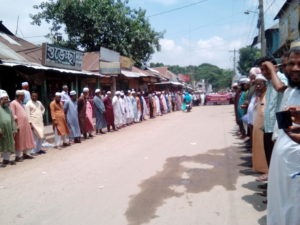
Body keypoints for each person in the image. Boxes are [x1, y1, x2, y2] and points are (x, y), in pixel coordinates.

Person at [267, 44, 300, 225]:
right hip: (283, 160)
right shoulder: (291, 91)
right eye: (291, 64)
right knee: (281, 204)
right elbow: (284, 126)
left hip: (296, 164)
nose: (295, 68)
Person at [257, 56, 288, 171]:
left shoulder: (281, 78)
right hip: (269, 127)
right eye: (262, 69)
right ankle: (271, 184)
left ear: (275, 67)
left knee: (278, 161)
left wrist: (272, 71)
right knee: (270, 159)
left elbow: (281, 87)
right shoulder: (269, 82)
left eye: (266, 69)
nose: (264, 72)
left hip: (279, 127)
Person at [10, 90, 35, 160]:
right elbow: (13, 114)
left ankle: (26, 153)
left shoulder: (21, 103)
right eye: (22, 96)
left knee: (25, 139)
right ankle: (18, 156)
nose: (24, 97)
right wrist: (15, 124)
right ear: (19, 96)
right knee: (19, 140)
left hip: (25, 124)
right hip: (19, 124)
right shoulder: (13, 103)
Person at [251, 74, 268, 175]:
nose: (257, 86)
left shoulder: (268, 96)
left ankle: (266, 172)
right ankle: (262, 171)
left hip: (265, 129)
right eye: (256, 84)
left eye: (260, 84)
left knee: (265, 151)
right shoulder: (259, 96)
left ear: (265, 84)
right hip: (258, 128)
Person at [0, 91, 17, 167]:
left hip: (9, 130)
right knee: (2, 145)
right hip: (1, 130)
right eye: (5, 99)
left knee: (8, 144)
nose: (7, 101)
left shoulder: (8, 109)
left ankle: (6, 159)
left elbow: (12, 119)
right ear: (1, 100)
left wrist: (14, 129)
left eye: (7, 99)